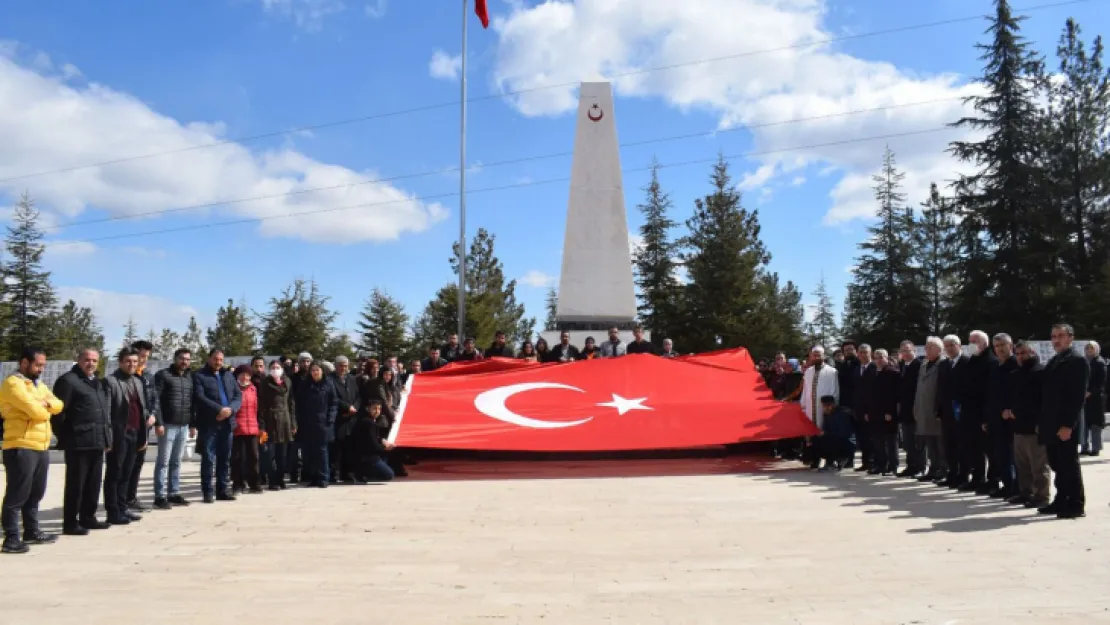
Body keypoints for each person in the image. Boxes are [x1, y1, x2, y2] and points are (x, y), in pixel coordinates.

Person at [1, 347, 64, 554]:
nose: (41, 369)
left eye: (43, 365)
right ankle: (11, 538)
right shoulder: (13, 384)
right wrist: (44, 406)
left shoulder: (38, 385)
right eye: (38, 365)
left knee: (35, 493)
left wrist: (45, 404)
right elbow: (37, 411)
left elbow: (59, 404)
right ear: (24, 362)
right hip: (20, 445)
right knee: (17, 494)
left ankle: (31, 530)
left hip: (40, 446)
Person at [52, 348, 112, 536]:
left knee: (93, 483)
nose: (91, 363)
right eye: (87, 359)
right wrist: (66, 437)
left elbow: (103, 413)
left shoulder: (98, 383)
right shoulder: (68, 381)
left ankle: (88, 517)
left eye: (95, 360)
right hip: (77, 442)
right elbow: (58, 414)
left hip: (97, 441)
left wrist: (106, 437)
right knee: (76, 484)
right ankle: (70, 522)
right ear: (78, 360)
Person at [1039, 323, 1089, 519]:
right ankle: (1061, 499)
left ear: (1070, 338)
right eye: (1053, 336)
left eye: (1060, 336)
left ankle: (1076, 504)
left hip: (1066, 424)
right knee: (1057, 464)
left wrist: (1068, 425)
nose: (1056, 340)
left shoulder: (1076, 361)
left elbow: (1076, 397)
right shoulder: (1054, 360)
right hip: (1051, 423)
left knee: (1069, 464)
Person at [102, 347, 148, 525]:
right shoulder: (110, 382)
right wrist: (108, 437)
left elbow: (141, 408)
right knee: (115, 473)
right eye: (128, 361)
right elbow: (106, 412)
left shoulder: (137, 381)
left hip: (135, 433)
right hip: (118, 435)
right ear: (120, 362)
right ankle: (112, 511)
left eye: (135, 362)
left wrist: (143, 436)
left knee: (127, 473)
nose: (132, 364)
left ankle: (123, 507)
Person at [193, 349, 242, 503]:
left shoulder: (228, 375)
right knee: (208, 458)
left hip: (227, 423)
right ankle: (207, 492)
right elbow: (200, 397)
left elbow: (237, 395)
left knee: (225, 458)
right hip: (209, 423)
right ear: (209, 358)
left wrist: (230, 410)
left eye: (220, 359)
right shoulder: (199, 376)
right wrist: (219, 409)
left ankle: (222, 490)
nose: (218, 362)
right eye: (215, 359)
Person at [1006, 341, 1049, 508]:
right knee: (1022, 465)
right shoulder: (1016, 373)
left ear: (1032, 352)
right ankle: (1026, 493)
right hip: (1018, 426)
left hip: (1034, 427)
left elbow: (1043, 401)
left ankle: (1042, 496)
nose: (1020, 356)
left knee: (1038, 466)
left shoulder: (1040, 372)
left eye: (1023, 353)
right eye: (1017, 353)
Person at [152, 348, 194, 509]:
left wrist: (192, 424)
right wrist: (159, 423)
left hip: (183, 425)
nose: (184, 362)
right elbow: (156, 401)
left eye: (188, 359)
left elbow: (191, 402)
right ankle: (159, 496)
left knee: (176, 461)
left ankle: (173, 493)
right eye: (182, 358)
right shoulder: (163, 375)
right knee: (163, 462)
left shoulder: (189, 378)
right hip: (168, 425)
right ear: (175, 359)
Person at [123, 340, 159, 515]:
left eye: (146, 357)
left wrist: (153, 414)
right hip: (129, 426)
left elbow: (154, 397)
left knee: (138, 463)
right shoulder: (127, 376)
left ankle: (131, 496)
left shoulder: (148, 376)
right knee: (126, 464)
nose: (143, 360)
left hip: (145, 426)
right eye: (141, 356)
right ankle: (121, 499)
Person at [956, 330, 994, 493]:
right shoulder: (972, 360)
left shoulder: (991, 361)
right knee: (973, 448)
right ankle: (977, 478)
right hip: (969, 412)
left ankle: (991, 480)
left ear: (984, 343)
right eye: (969, 341)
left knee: (988, 449)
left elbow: (990, 391)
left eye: (974, 341)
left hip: (983, 413)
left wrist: (986, 417)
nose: (970, 344)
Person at [294, 362, 338, 488]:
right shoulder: (305, 384)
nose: (315, 372)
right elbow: (299, 403)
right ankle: (313, 478)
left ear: (322, 371)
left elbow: (334, 403)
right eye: (313, 370)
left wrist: (331, 418)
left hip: (323, 423)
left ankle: (324, 478)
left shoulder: (328, 384)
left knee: (322, 451)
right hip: (308, 423)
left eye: (317, 370)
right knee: (309, 452)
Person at [986, 333, 1018, 498]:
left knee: (1014, 456)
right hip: (995, 418)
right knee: (1001, 455)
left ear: (1010, 345)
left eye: (1002, 345)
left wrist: (1010, 408)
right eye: (997, 346)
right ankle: (1007, 485)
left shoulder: (1016, 365)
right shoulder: (995, 367)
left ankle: (1016, 487)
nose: (1000, 349)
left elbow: (1019, 392)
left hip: (1012, 418)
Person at [258, 359, 295, 490]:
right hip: (270, 421)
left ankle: (280, 479)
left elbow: (291, 403)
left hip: (285, 421)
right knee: (270, 455)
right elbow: (261, 405)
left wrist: (293, 423)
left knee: (283, 454)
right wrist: (261, 426)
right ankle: (272, 480)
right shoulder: (264, 383)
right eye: (273, 367)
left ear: (282, 368)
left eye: (278, 367)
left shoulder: (288, 382)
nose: (275, 369)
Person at [913, 337, 946, 483]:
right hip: (923, 409)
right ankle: (932, 469)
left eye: (930, 347)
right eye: (926, 347)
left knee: (941, 444)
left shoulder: (943, 364)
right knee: (930, 442)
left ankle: (943, 469)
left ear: (939, 349)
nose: (927, 349)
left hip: (936, 410)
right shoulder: (924, 365)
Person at [937, 335, 968, 488]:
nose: (949, 348)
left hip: (962, 411)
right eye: (946, 346)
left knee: (961, 445)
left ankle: (963, 475)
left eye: (952, 345)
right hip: (947, 412)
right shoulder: (943, 365)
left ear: (959, 345)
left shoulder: (966, 362)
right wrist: (939, 410)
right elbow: (940, 389)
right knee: (948, 445)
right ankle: (952, 473)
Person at [230, 365, 262, 495]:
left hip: (252, 428)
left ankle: (254, 483)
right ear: (237, 376)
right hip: (238, 428)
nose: (245, 377)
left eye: (247, 375)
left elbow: (257, 409)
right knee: (238, 458)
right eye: (242, 375)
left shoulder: (254, 389)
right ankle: (238, 484)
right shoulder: (233, 389)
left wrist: (260, 426)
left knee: (254, 457)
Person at [330, 355, 361, 483]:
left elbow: (359, 396)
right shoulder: (330, 380)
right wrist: (347, 408)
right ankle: (334, 474)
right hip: (339, 418)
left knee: (350, 448)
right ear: (336, 366)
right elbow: (333, 398)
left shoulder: (352, 379)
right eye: (341, 365)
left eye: (345, 366)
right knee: (336, 449)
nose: (343, 368)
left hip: (352, 419)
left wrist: (355, 407)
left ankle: (348, 474)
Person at [870, 349, 901, 476]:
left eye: (881, 357)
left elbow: (893, 395)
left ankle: (893, 466)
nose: (878, 360)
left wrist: (889, 411)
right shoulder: (873, 372)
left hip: (889, 413)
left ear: (886, 358)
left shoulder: (892, 373)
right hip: (875, 412)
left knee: (891, 441)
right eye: (876, 357)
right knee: (878, 441)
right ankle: (881, 465)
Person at [349, 401, 396, 483]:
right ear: (368, 409)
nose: (377, 411)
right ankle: (360, 473)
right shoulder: (369, 423)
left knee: (385, 456)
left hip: (366, 455)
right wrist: (385, 447)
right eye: (374, 408)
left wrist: (381, 440)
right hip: (365, 457)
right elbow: (373, 445)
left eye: (379, 409)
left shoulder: (370, 421)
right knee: (389, 475)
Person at [896, 341, 923, 477]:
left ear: (914, 351)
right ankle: (910, 465)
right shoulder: (902, 366)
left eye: (908, 350)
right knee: (908, 441)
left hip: (916, 408)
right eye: (903, 351)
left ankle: (920, 467)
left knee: (918, 441)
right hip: (905, 409)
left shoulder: (919, 366)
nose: (905, 353)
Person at [852, 344, 876, 472]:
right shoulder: (857, 369)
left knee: (871, 437)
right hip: (859, 409)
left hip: (871, 409)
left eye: (865, 352)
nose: (862, 355)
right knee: (862, 438)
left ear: (870, 353)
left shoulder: (874, 368)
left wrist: (869, 410)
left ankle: (873, 462)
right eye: (860, 352)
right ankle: (865, 462)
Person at [814, 396, 854, 471]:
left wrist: (826, 434)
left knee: (830, 441)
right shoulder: (827, 414)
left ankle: (839, 460)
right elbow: (825, 429)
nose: (823, 408)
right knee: (816, 440)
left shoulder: (842, 414)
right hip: (834, 439)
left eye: (824, 406)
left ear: (830, 406)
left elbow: (843, 434)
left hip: (845, 443)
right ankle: (829, 462)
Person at [1080, 341, 1105, 456]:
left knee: (1095, 424)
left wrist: (1091, 392)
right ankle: (1084, 446)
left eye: (1091, 348)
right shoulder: (1084, 362)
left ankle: (1096, 448)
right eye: (1087, 348)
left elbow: (1101, 382)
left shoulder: (1100, 363)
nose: (1089, 351)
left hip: (1095, 398)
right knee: (1083, 424)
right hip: (1084, 397)